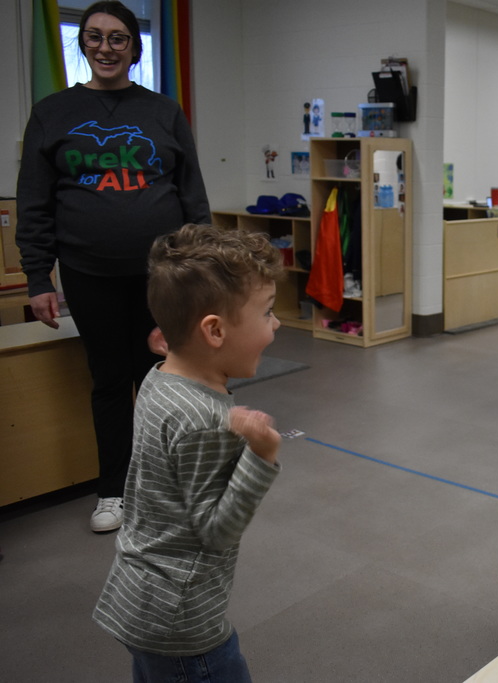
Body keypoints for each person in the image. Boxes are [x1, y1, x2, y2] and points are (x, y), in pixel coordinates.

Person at [16, 1, 210, 532]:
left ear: (134, 47)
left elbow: (193, 195)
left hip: (162, 276)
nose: (106, 47)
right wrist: (38, 278)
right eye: (95, 37)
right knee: (108, 381)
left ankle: (159, 491)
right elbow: (34, 201)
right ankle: (112, 492)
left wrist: (205, 270)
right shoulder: (52, 113)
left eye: (118, 38)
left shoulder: (164, 112)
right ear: (82, 44)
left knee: (161, 380)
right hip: (88, 272)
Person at [93, 223, 283, 681]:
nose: (276, 325)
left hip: (144, 599)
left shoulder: (160, 377)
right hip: (183, 623)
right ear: (214, 331)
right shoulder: (205, 422)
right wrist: (260, 456)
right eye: (268, 313)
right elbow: (216, 531)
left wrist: (172, 343)